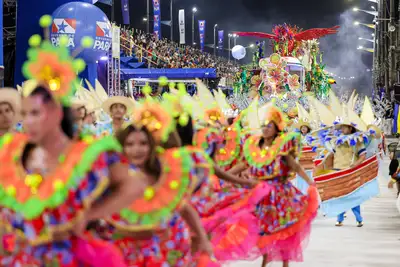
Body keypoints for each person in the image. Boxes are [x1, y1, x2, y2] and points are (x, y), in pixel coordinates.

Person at [226, 104, 318, 267]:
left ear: (277, 128)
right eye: (264, 126)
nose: (266, 129)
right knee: (262, 232)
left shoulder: (282, 146)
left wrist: (310, 182)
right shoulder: (254, 146)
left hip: (280, 195)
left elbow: (295, 166)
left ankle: (285, 264)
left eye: (269, 126)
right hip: (260, 195)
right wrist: (224, 175)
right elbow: (243, 165)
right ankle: (264, 262)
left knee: (283, 232)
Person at [112, 124, 214, 266]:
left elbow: (184, 208)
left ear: (151, 145)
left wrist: (202, 238)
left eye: (143, 143)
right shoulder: (114, 181)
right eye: (129, 144)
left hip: (174, 246)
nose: (137, 150)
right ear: (121, 147)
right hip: (135, 254)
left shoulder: (164, 173)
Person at [324, 124, 366, 227]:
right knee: (340, 195)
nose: (342, 129)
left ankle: (359, 219)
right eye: (341, 128)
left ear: (350, 128)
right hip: (338, 171)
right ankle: (340, 219)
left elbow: (363, 156)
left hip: (351, 171)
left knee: (353, 196)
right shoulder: (336, 140)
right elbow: (332, 155)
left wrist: (355, 164)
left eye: (344, 127)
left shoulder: (357, 141)